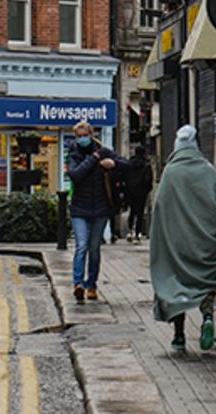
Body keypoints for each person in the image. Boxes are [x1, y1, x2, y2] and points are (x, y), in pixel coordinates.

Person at [150, 125, 216, 353]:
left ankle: (178, 336)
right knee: (205, 283)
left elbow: (160, 207)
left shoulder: (171, 172)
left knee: (176, 286)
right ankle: (207, 317)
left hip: (176, 244)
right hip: (203, 243)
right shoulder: (207, 170)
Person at [65, 120, 119, 303]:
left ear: (91, 134)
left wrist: (114, 164)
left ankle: (91, 285)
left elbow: (124, 164)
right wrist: (94, 159)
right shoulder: (73, 154)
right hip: (80, 208)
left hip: (101, 208)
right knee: (81, 246)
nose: (82, 139)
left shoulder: (104, 151)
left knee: (94, 248)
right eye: (79, 136)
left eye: (85, 135)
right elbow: (75, 175)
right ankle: (78, 283)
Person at [125, 145, 153, 242]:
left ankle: (130, 231)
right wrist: (147, 189)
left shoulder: (129, 164)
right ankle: (138, 233)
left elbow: (125, 176)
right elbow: (148, 179)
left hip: (130, 190)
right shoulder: (146, 165)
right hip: (141, 192)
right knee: (140, 212)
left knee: (132, 210)